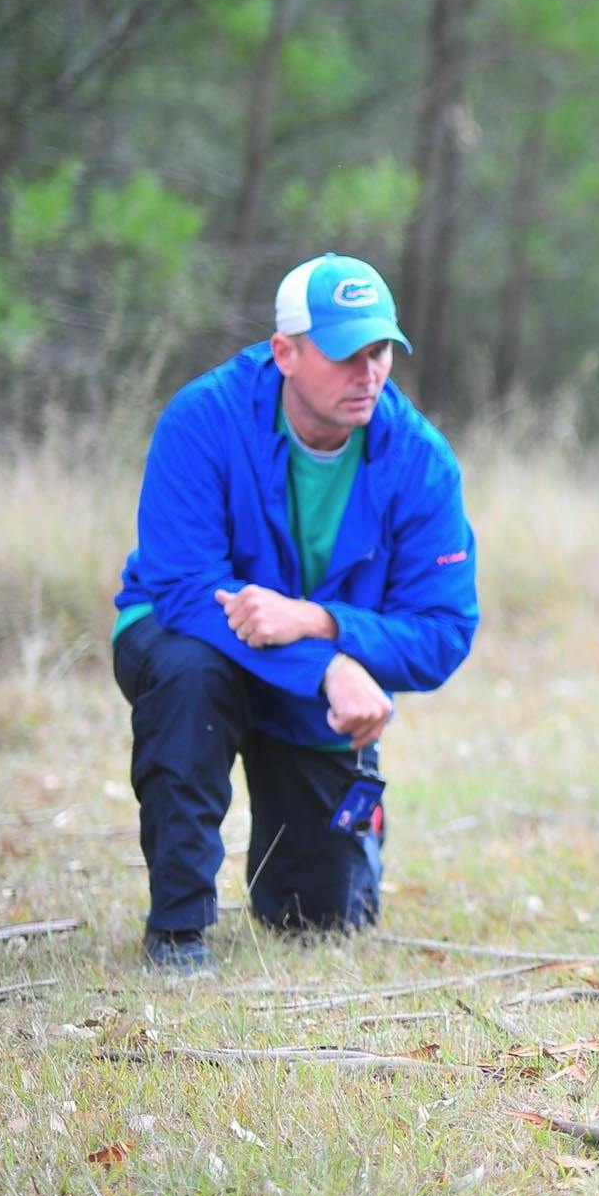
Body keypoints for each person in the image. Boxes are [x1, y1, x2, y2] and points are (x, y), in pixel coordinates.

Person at [109, 253, 479, 974]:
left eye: (381, 352)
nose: (368, 372)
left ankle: (314, 863)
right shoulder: (202, 418)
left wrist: (323, 626)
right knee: (192, 677)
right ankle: (179, 927)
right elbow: (184, 588)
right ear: (285, 352)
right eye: (346, 354)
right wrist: (330, 666)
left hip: (309, 680)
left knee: (322, 917)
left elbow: (444, 632)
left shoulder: (423, 460)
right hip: (184, 633)